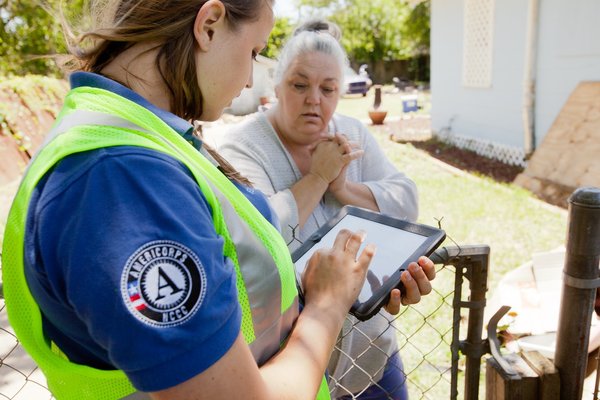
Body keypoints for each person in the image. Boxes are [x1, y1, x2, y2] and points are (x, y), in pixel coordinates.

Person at [1, 2, 436, 399]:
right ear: (208, 26)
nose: (249, 79)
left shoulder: (148, 143)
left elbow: (244, 264)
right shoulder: (123, 180)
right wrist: (327, 306)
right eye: (253, 51)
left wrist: (327, 283)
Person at [217, 19, 421, 399]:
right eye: (299, 85)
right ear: (276, 85)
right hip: (290, 365)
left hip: (373, 351)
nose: (315, 99)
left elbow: (406, 200)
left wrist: (343, 188)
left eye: (328, 89)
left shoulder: (353, 132)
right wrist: (318, 177)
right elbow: (257, 239)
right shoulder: (241, 148)